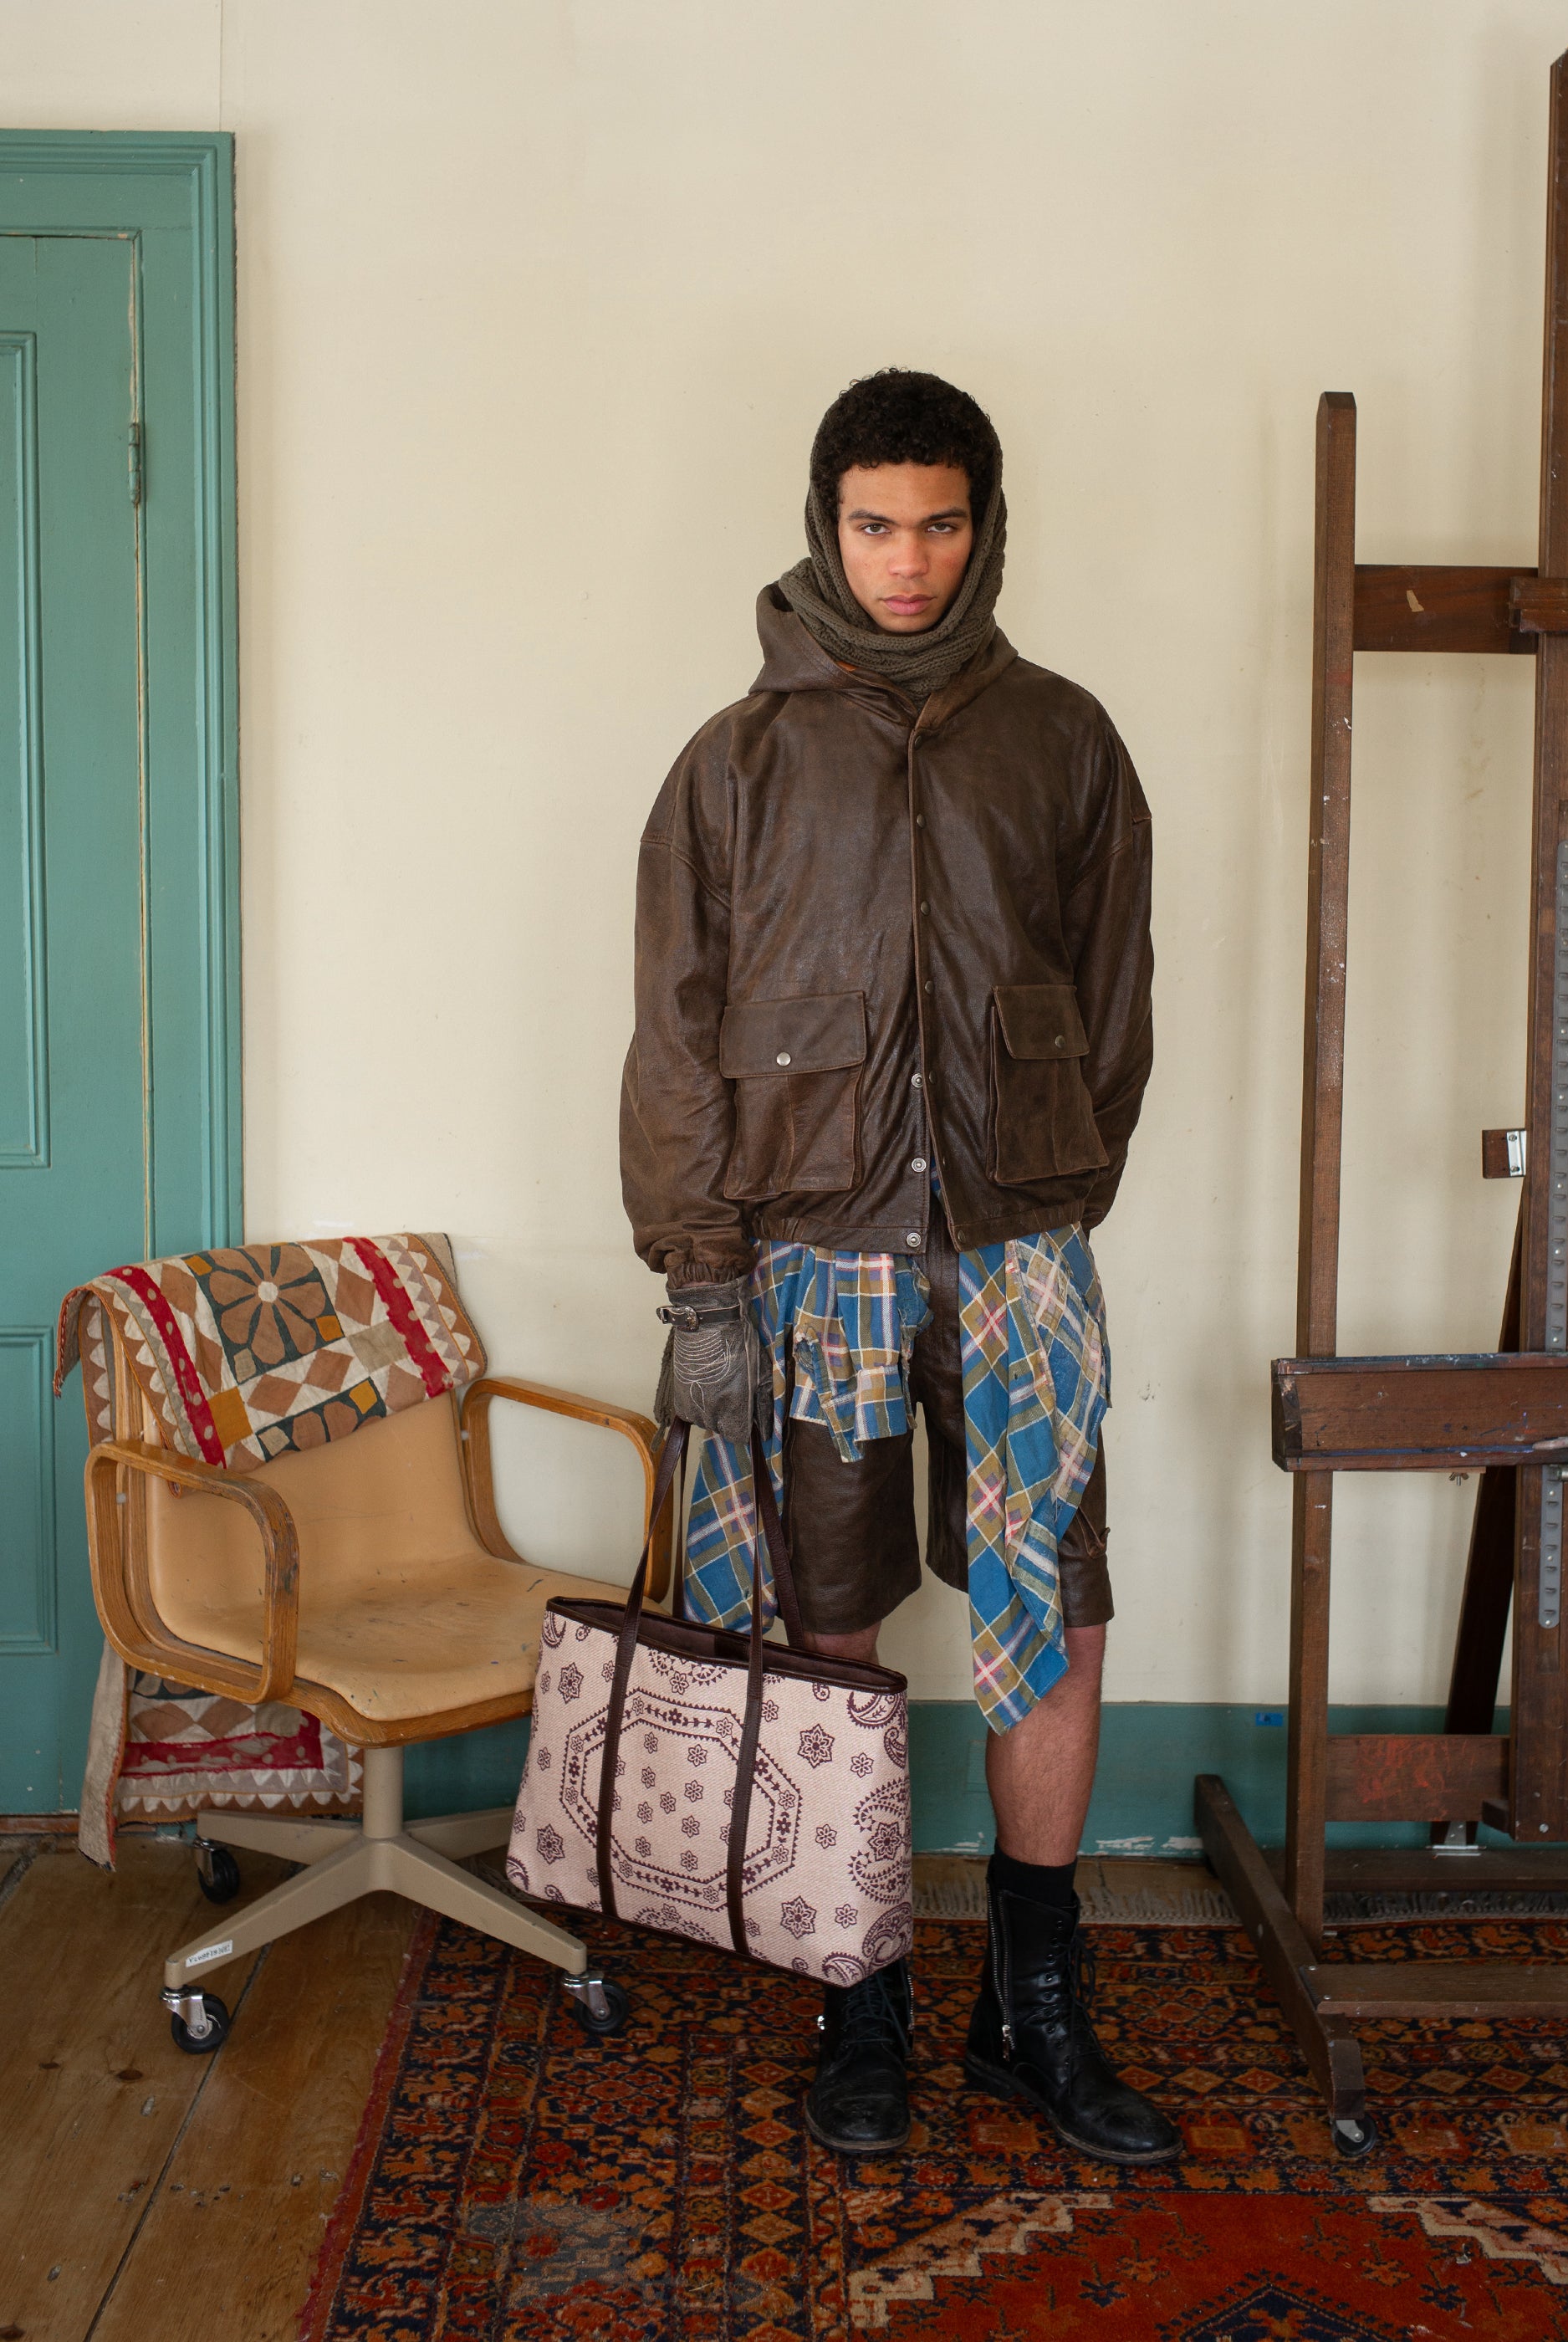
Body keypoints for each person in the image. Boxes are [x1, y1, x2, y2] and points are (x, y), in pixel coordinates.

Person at [620, 369, 1167, 2165]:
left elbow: (1113, 1005)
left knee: (1051, 1626)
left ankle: (1035, 2011)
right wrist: (705, 1283)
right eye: (876, 524)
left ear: (986, 528)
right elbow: (676, 1037)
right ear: (823, 525)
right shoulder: (737, 763)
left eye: (940, 523)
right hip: (814, 1261)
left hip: (1016, 1258)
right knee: (834, 1632)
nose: (908, 559)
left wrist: (1049, 1186)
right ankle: (864, 2002)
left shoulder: (1066, 739)